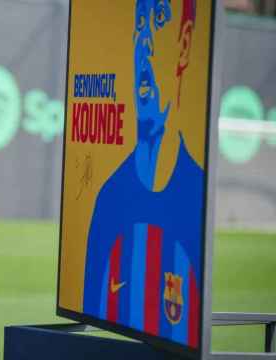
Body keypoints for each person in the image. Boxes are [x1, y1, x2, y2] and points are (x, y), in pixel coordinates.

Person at [83, 0, 203, 348]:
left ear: (184, 44)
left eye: (160, 20)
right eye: (139, 25)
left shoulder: (196, 200)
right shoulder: (108, 202)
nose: (145, 40)